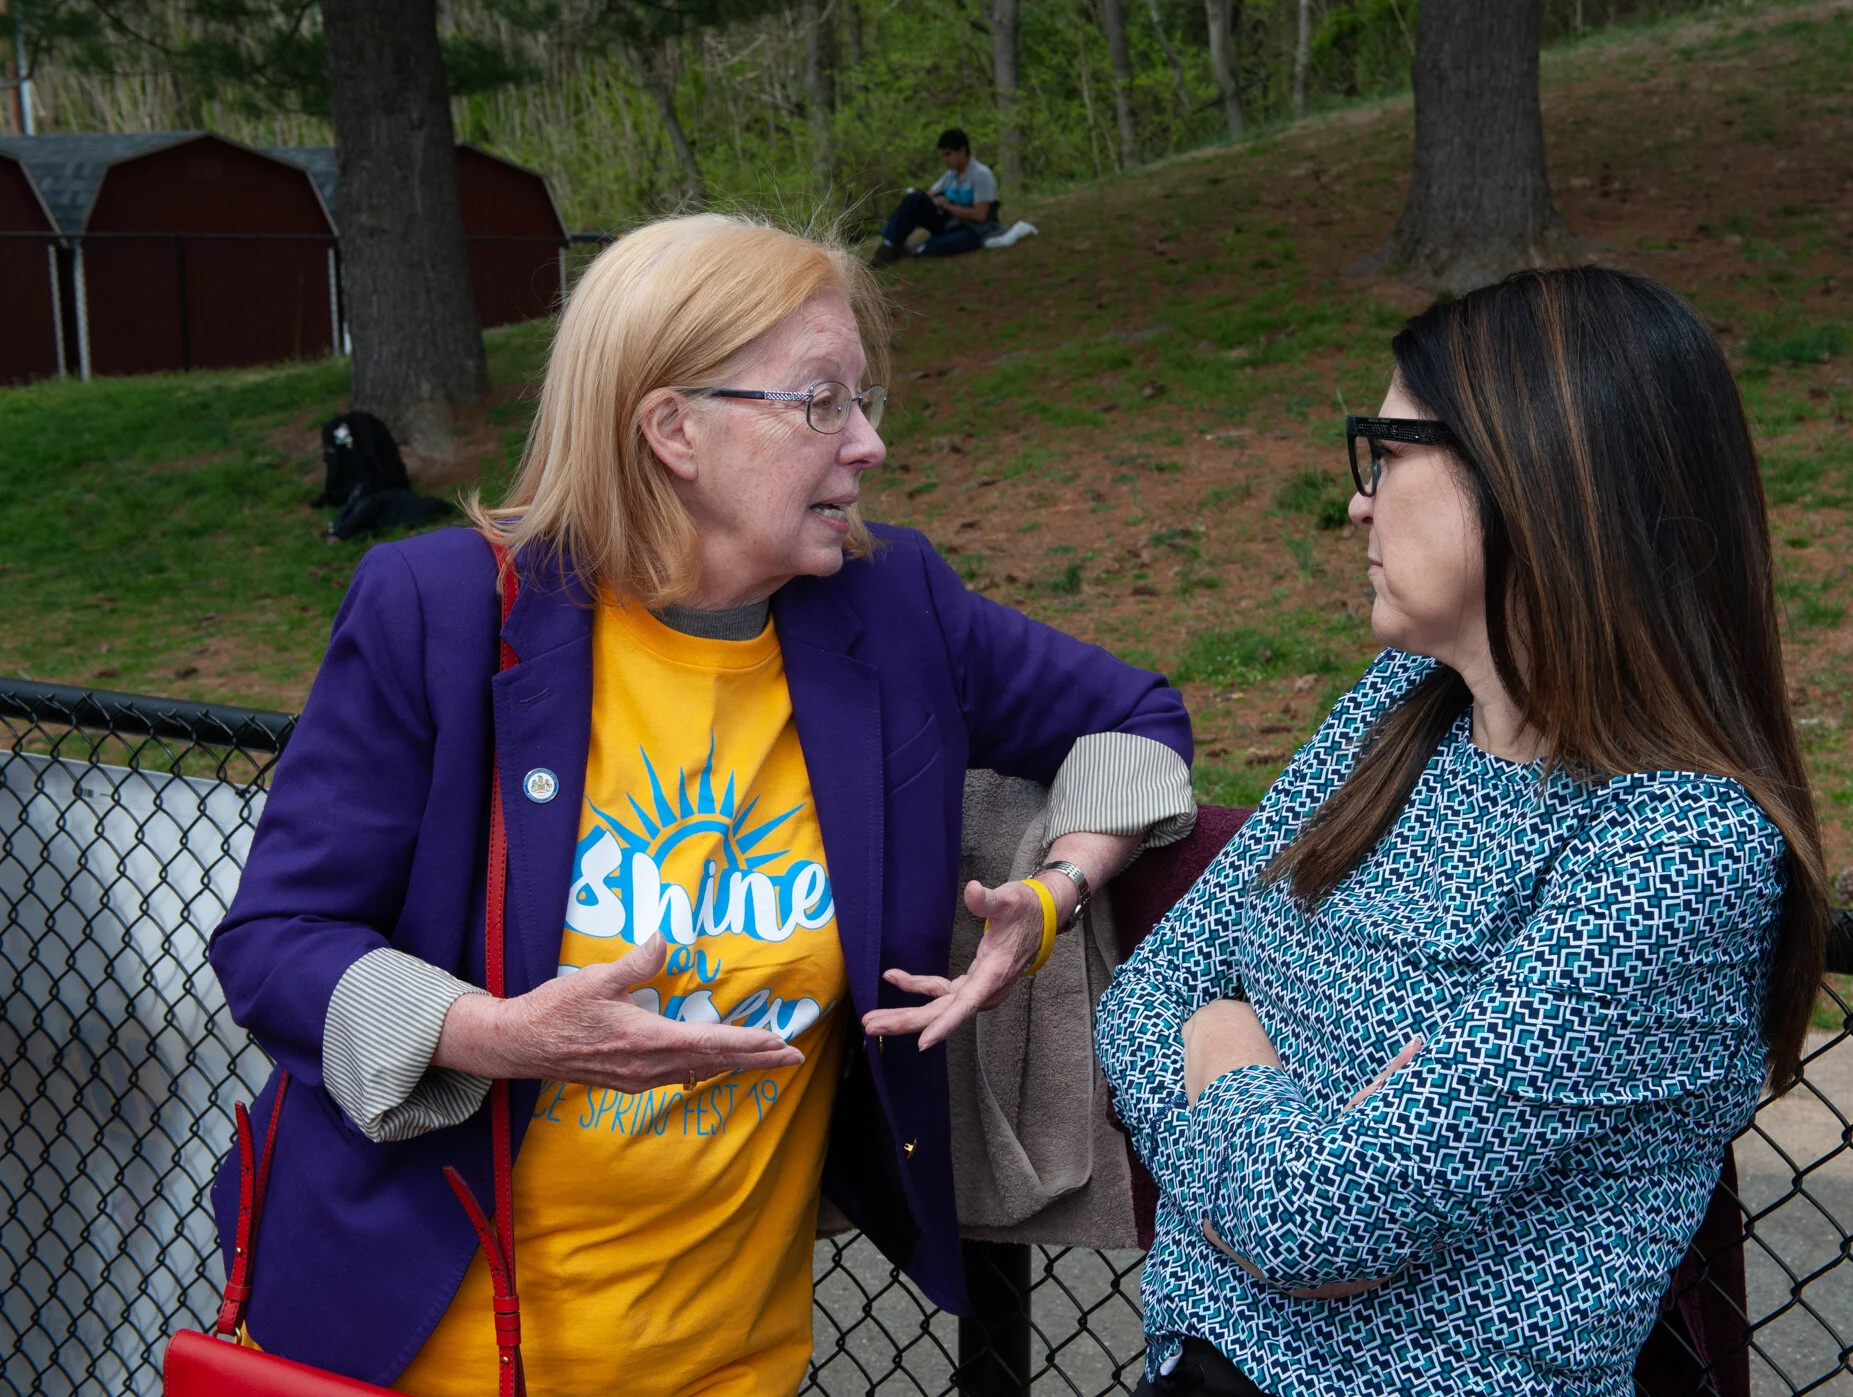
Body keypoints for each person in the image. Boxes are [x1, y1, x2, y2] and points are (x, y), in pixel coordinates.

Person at [207, 211, 1195, 1394]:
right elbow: (277, 944)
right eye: (822, 403)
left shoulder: (891, 610)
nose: (870, 443)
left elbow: (1137, 719)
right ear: (672, 426)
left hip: (731, 1360)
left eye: (865, 400)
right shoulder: (443, 608)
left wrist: (1052, 891)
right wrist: (496, 1034)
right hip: (417, 1349)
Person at [1094, 266, 1829, 1396]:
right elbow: (1144, 995)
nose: (1357, 500)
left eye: (1387, 455)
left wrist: (1229, 1047)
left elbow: (1317, 1220)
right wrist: (1305, 1121)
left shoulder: (1680, 846)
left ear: (1533, 473)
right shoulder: (1399, 709)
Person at [870, 127, 1002, 265]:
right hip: (949, 221)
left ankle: (915, 249)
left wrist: (949, 206)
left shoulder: (981, 174)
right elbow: (928, 196)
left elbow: (980, 215)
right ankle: (889, 244)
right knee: (914, 199)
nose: (945, 160)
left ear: (962, 151)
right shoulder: (951, 175)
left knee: (934, 246)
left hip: (972, 227)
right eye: (943, 155)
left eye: (948, 154)